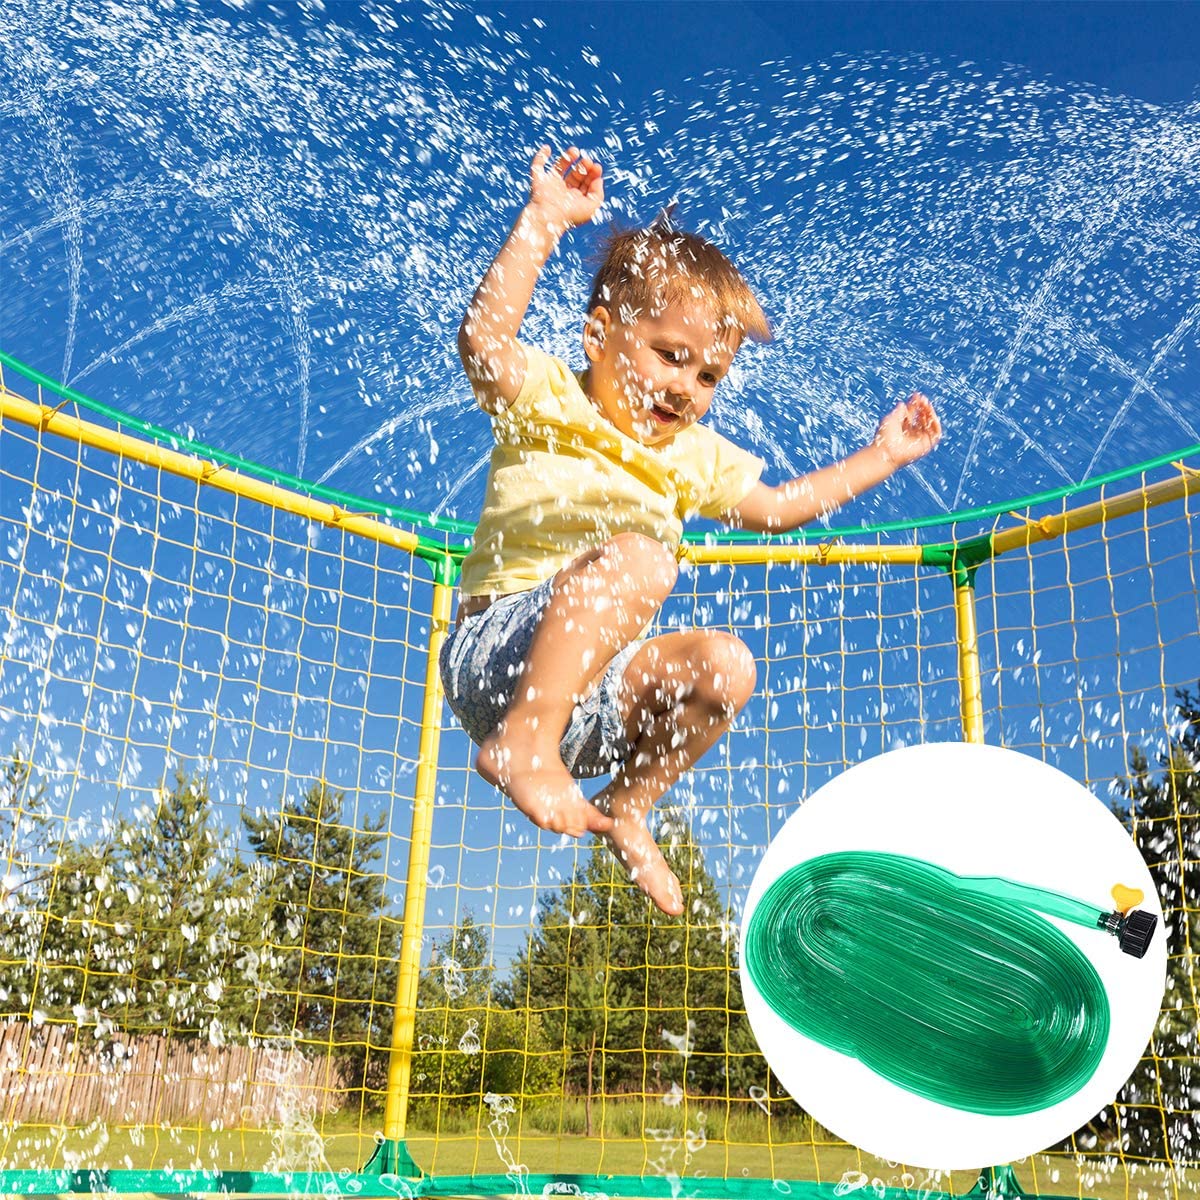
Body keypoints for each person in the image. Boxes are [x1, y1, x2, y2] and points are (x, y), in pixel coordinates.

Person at [440, 145, 941, 916]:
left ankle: (630, 804)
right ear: (598, 336)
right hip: (496, 658)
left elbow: (779, 508)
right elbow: (483, 341)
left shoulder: (692, 455)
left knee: (728, 665)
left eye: (709, 376)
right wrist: (543, 220)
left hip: (594, 702)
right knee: (645, 561)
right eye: (671, 357)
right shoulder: (546, 397)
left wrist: (882, 455)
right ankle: (521, 744)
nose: (686, 387)